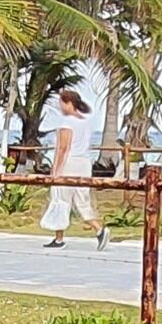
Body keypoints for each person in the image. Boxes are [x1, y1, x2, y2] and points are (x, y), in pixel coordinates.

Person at [40, 85, 104, 249]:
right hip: (84, 163)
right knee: (82, 199)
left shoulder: (67, 122)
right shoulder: (85, 121)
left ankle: (59, 239)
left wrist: (55, 169)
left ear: (68, 103)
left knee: (61, 198)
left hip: (70, 163)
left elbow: (63, 148)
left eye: (61, 103)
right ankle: (99, 229)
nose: (60, 107)